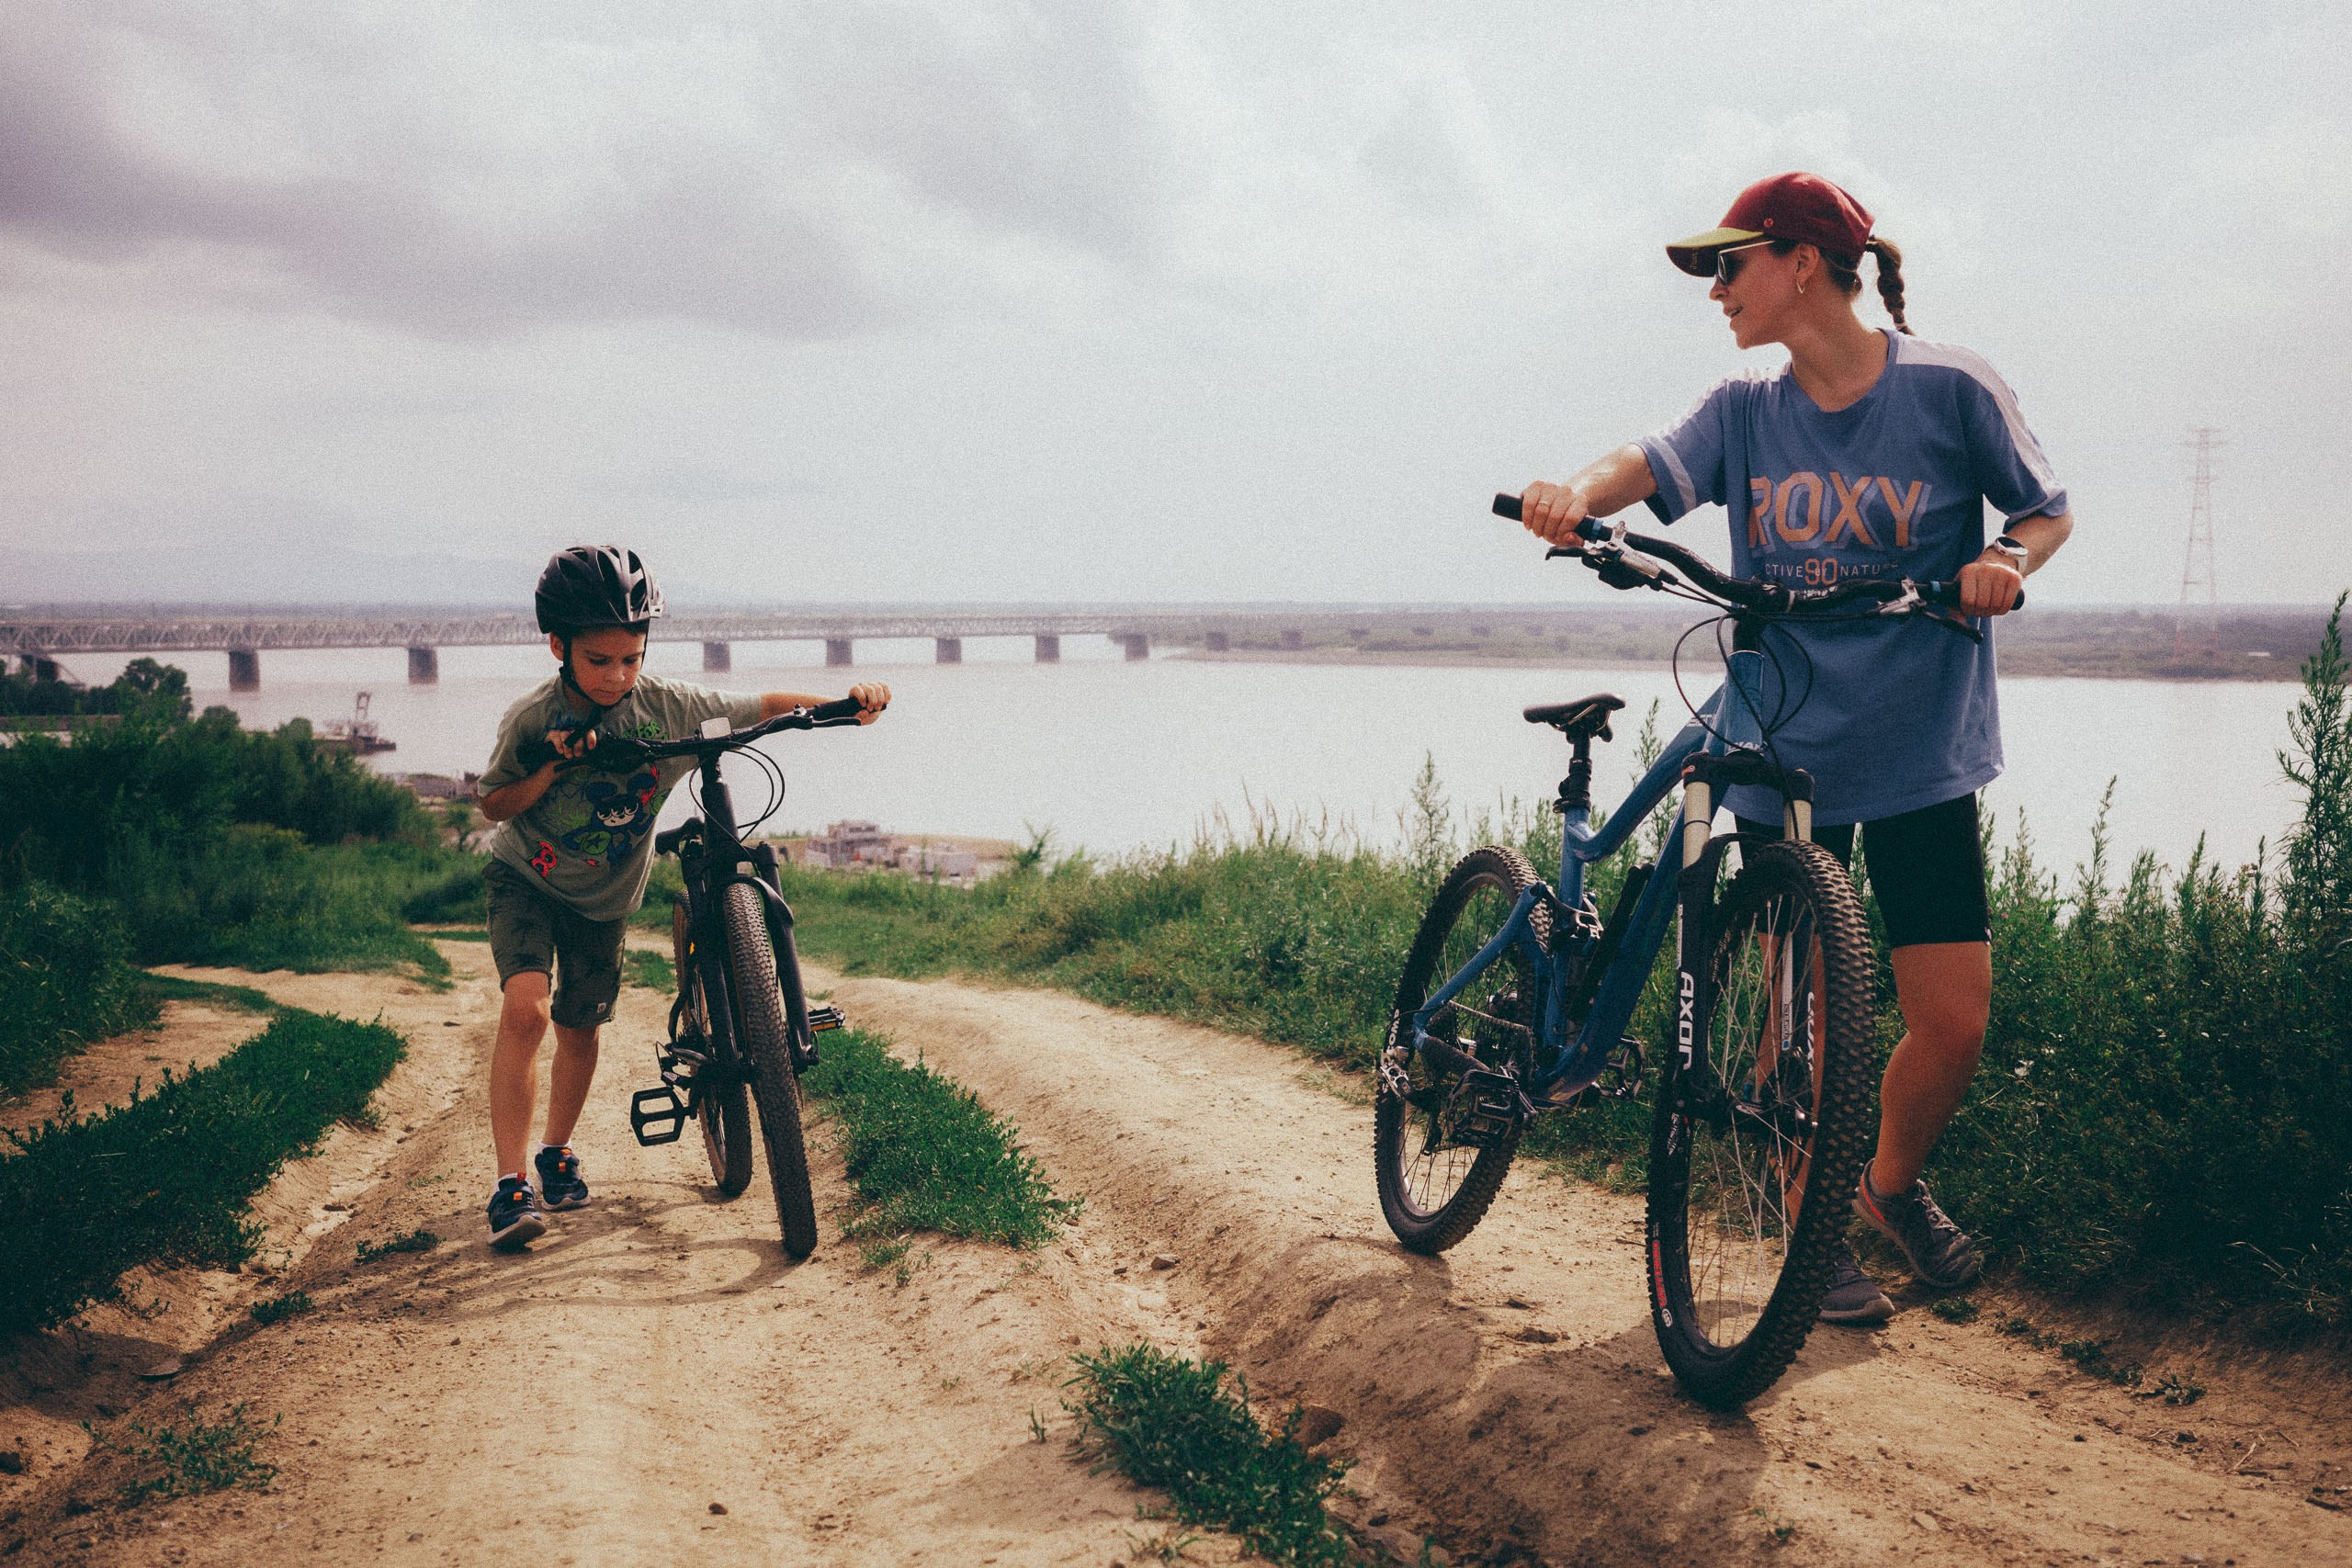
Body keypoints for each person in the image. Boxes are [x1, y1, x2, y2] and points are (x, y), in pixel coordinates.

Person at [1517, 172, 2073, 1324]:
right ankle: (1803, 1232)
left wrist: (2006, 563)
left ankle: (1881, 1191)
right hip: (1778, 743)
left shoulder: (1950, 389)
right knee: (1792, 1028)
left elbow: (2044, 506)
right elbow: (1647, 461)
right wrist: (1573, 494)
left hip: (1920, 746)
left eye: (1730, 265)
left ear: (1802, 262)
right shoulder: (1742, 410)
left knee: (1953, 1019)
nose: (1716, 291)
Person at [475, 546, 890, 1251]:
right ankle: (511, 1183)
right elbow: (493, 803)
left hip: (604, 899)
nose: (617, 674)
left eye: (631, 657)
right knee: (527, 1011)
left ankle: (556, 1151)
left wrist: (845, 705)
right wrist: (551, 763)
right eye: (599, 659)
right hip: (527, 879)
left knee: (581, 1029)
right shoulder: (532, 717)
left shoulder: (667, 706)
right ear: (558, 646)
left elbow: (759, 706)